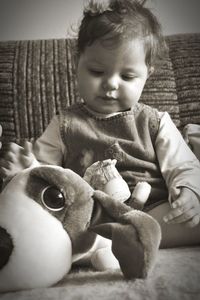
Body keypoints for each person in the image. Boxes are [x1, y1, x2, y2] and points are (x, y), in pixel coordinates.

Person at [0, 0, 200, 248]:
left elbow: (184, 165)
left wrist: (189, 193)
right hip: (88, 218)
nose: (111, 84)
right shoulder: (64, 125)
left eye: (127, 76)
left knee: (189, 219)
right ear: (78, 66)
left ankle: (128, 239)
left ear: (147, 74)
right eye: (96, 72)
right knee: (43, 217)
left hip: (152, 212)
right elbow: (47, 177)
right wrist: (27, 168)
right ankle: (111, 242)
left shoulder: (156, 122)